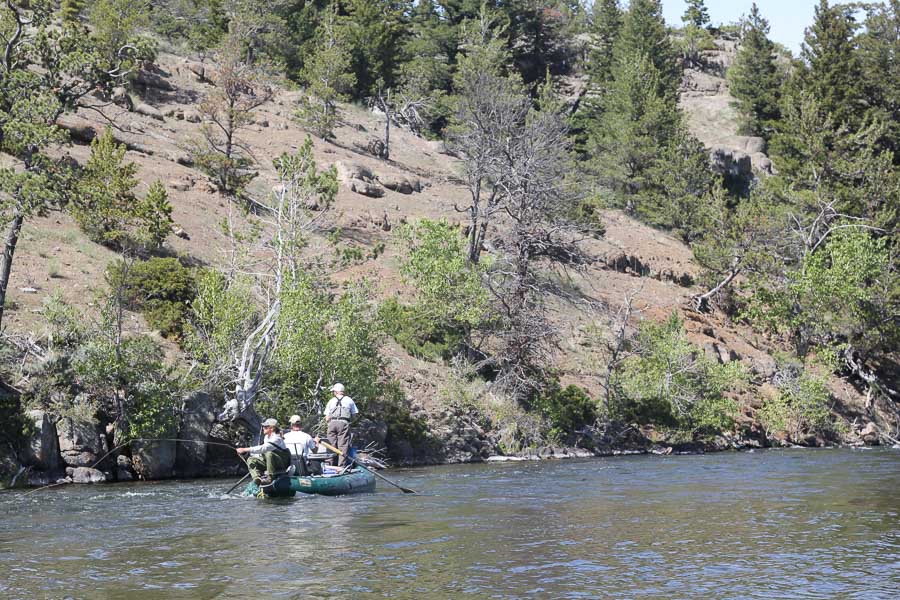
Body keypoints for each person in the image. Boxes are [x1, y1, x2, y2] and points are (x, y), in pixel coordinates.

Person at [236, 418, 292, 485]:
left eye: (265, 427)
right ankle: (257, 478)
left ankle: (270, 478)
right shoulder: (266, 437)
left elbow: (264, 448)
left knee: (269, 454)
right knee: (251, 460)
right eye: (263, 427)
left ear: (272, 428)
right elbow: (262, 452)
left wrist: (244, 449)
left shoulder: (277, 438)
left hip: (282, 463)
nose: (263, 428)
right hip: (270, 462)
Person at [323, 383, 358, 467]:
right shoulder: (349, 400)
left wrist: (330, 424)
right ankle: (341, 466)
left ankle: (329, 464)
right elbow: (354, 415)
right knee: (342, 445)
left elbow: (327, 417)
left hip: (332, 423)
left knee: (331, 445)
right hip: (344, 423)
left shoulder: (331, 401)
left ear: (336, 392)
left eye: (334, 391)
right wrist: (350, 423)